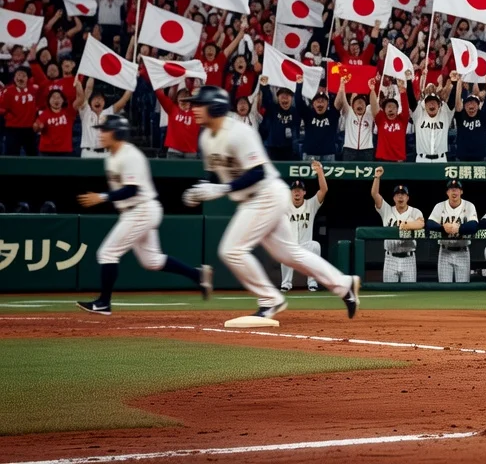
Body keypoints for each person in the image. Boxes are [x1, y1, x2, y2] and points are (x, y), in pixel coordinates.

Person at [181, 85, 360, 321]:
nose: (194, 109)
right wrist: (200, 188)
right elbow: (214, 173)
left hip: (266, 194)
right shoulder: (206, 138)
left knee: (231, 250)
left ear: (214, 107)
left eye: (199, 104)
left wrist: (220, 189)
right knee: (289, 253)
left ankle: (269, 299)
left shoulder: (238, 132)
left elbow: (257, 173)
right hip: (252, 199)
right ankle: (343, 284)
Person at [74, 116, 213, 315]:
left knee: (107, 253)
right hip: (135, 211)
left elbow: (132, 190)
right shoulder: (113, 156)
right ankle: (198, 275)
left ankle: (104, 303)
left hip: (141, 209)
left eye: (105, 130)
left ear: (117, 133)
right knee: (152, 261)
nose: (100, 134)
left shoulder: (130, 155)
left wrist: (102, 197)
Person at [280, 163, 329, 292]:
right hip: (290, 244)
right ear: (290, 193)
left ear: (304, 192)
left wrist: (320, 172)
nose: (297, 192)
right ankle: (286, 283)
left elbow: (323, 190)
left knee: (315, 245)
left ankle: (312, 282)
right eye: (294, 190)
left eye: (299, 190)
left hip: (305, 244)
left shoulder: (311, 204)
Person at [370, 168, 422, 283]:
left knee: (409, 294)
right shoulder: (387, 210)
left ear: (407, 197)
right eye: (398, 194)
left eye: (403, 194)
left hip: (409, 257)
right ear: (393, 198)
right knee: (388, 292)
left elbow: (421, 223)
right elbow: (374, 194)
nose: (400, 197)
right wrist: (377, 177)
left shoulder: (415, 211)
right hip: (390, 257)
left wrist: (407, 225)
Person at [426, 179, 477, 283]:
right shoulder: (440, 206)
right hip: (445, 251)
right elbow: (429, 223)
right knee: (444, 289)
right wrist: (443, 228)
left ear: (461, 192)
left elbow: (474, 225)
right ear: (447, 192)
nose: (454, 192)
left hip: (463, 251)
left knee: (462, 289)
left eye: (457, 189)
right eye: (451, 189)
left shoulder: (469, 206)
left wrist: (458, 228)